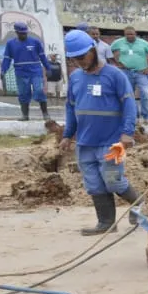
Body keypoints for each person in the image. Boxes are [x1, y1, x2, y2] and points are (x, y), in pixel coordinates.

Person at [58, 30, 139, 236]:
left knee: (114, 180)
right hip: (85, 144)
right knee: (93, 184)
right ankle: (106, 223)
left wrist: (128, 132)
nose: (80, 62)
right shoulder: (76, 78)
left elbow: (129, 105)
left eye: (82, 57)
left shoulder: (115, 75)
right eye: (75, 59)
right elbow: (71, 108)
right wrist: (67, 135)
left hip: (114, 143)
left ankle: (141, 205)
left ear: (93, 50)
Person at [0, 21, 51, 122]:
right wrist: (3, 70)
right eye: (21, 33)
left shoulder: (35, 42)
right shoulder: (10, 44)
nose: (24, 35)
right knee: (23, 94)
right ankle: (25, 115)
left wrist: (48, 68)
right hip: (21, 72)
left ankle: (45, 114)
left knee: (39, 90)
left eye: (25, 33)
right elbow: (7, 59)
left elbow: (42, 56)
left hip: (35, 70)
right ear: (17, 32)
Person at [109, 26, 148, 126]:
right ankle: (135, 117)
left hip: (141, 72)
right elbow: (110, 52)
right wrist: (117, 63)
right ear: (124, 35)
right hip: (126, 72)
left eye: (132, 34)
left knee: (146, 93)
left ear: (136, 34)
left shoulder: (143, 43)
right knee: (129, 95)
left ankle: (147, 116)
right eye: (128, 34)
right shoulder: (118, 42)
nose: (130, 36)